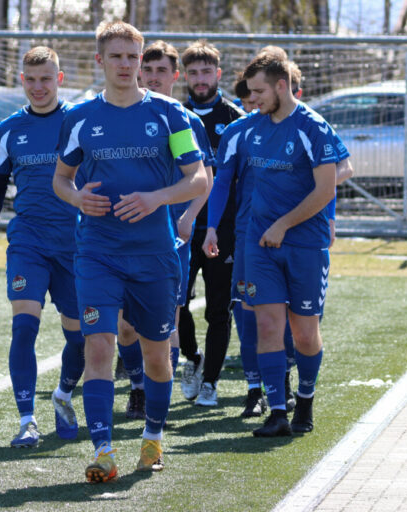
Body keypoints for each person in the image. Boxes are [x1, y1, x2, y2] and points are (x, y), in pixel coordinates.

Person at [52, 21, 208, 482]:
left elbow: (198, 178)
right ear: (100, 60)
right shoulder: (80, 118)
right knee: (99, 346)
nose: (125, 64)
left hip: (155, 255)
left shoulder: (170, 114)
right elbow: (60, 178)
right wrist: (77, 198)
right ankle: (103, 452)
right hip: (97, 251)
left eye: (132, 56)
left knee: (157, 356)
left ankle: (153, 437)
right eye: (116, 56)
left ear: (141, 61)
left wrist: (156, 198)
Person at [0, 46, 85, 448]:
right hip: (28, 243)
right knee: (24, 328)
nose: (39, 87)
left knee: (81, 339)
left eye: (46, 79)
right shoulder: (9, 130)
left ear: (59, 79)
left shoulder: (79, 123)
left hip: (76, 245)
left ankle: (63, 395)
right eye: (31, 80)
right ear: (22, 81)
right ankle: (26, 421)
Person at [238, 49, 341, 437]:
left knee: (304, 333)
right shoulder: (252, 127)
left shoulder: (313, 128)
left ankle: (305, 402)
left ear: (281, 86)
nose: (253, 100)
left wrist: (283, 224)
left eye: (259, 91)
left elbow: (325, 189)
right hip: (260, 243)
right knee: (267, 325)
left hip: (305, 245)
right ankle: (277, 412)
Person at [115, 40, 214, 420]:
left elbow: (205, 178)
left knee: (167, 319)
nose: (154, 77)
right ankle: (137, 384)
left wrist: (189, 217)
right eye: (149, 70)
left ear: (176, 76)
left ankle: (158, 397)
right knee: (125, 326)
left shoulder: (183, 120)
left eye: (162, 71)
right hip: (123, 235)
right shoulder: (122, 115)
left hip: (170, 237)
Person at [178, 40, 245, 407]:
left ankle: (211, 382)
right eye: (193, 73)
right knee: (178, 303)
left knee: (219, 309)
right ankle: (193, 358)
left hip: (223, 229)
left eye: (206, 72)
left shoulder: (235, 118)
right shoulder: (176, 116)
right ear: (184, 76)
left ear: (218, 74)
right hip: (182, 227)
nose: (200, 79)